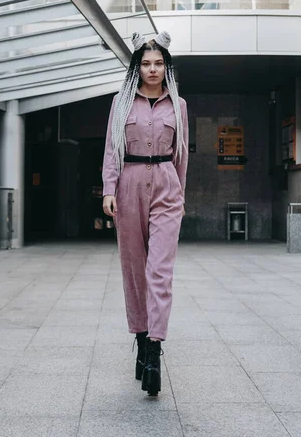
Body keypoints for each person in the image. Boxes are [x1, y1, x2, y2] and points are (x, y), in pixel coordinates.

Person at [102, 31, 189, 396]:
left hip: (167, 187)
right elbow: (111, 148)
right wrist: (109, 189)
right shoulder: (121, 103)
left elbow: (182, 154)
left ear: (166, 67)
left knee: (160, 271)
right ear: (136, 68)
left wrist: (180, 195)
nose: (152, 69)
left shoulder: (179, 105)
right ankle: (140, 336)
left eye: (158, 64)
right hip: (130, 184)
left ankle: (153, 350)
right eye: (146, 64)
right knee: (135, 269)